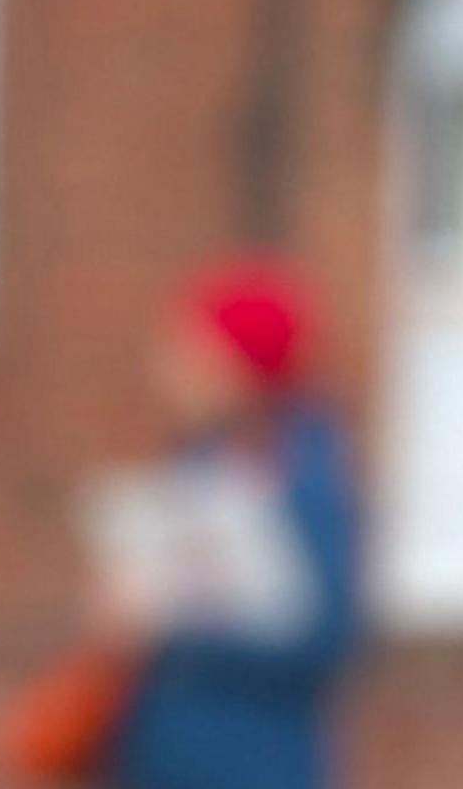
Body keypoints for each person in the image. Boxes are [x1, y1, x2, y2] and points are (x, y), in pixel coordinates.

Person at [98, 260, 367, 789]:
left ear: (241, 365)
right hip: (167, 756)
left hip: (256, 762)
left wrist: (169, 627)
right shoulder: (195, 463)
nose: (171, 367)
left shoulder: (306, 479)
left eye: (191, 350)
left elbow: (327, 638)